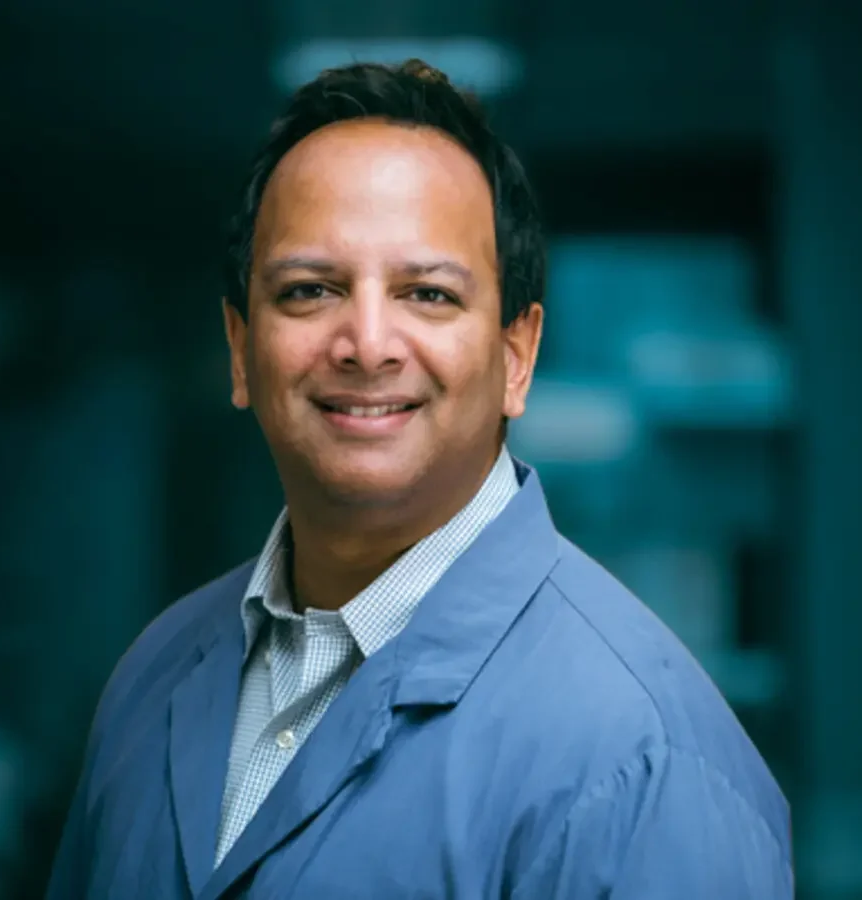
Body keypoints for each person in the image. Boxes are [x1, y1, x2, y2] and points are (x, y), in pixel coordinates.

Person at [46, 59, 793, 899]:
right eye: (310, 289)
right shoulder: (154, 676)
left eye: (428, 294)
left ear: (517, 356)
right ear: (239, 349)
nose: (367, 343)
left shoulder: (640, 765)